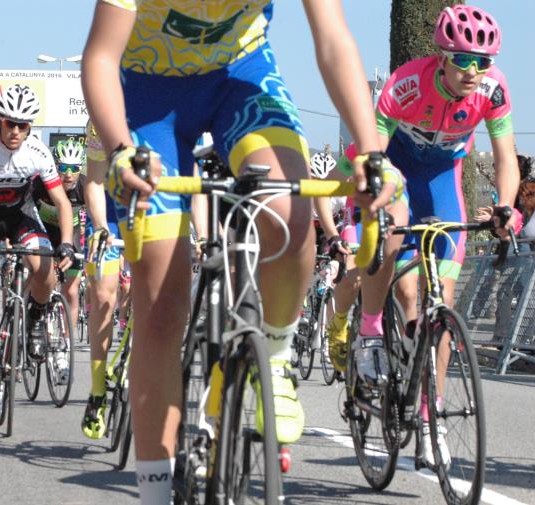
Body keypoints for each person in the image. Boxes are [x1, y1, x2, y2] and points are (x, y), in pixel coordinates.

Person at [81, 2, 401, 501]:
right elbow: (100, 58)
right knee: (162, 301)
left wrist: (369, 150)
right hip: (145, 94)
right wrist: (121, 148)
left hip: (241, 75)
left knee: (290, 214)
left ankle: (272, 355)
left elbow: (333, 38)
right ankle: (155, 492)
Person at [366, 4, 519, 467]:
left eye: (484, 61)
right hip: (398, 166)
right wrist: (377, 186)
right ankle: (372, 331)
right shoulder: (408, 82)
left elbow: (506, 157)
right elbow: (373, 142)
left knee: (442, 305)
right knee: (407, 283)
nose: (475, 71)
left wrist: (506, 207)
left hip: (442, 180)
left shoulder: (492, 89)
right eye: (464, 60)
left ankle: (430, 420)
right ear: (442, 57)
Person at [0, 84, 76, 414]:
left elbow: (62, 202)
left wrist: (67, 243)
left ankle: (34, 320)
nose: (16, 132)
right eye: (11, 124)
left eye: (24, 125)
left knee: (47, 273)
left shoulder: (38, 152)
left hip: (20, 217)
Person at [80, 120, 127, 439]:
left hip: (152, 206)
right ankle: (98, 390)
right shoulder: (101, 123)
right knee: (104, 295)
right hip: (108, 212)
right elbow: (94, 183)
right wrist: (100, 227)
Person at [31, 138, 88, 333]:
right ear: (55, 166)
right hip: (43, 232)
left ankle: (66, 341)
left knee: (71, 291)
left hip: (69, 237)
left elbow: (97, 216)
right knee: (40, 282)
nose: (69, 174)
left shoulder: (84, 187)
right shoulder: (40, 184)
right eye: (63, 167)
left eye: (75, 168)